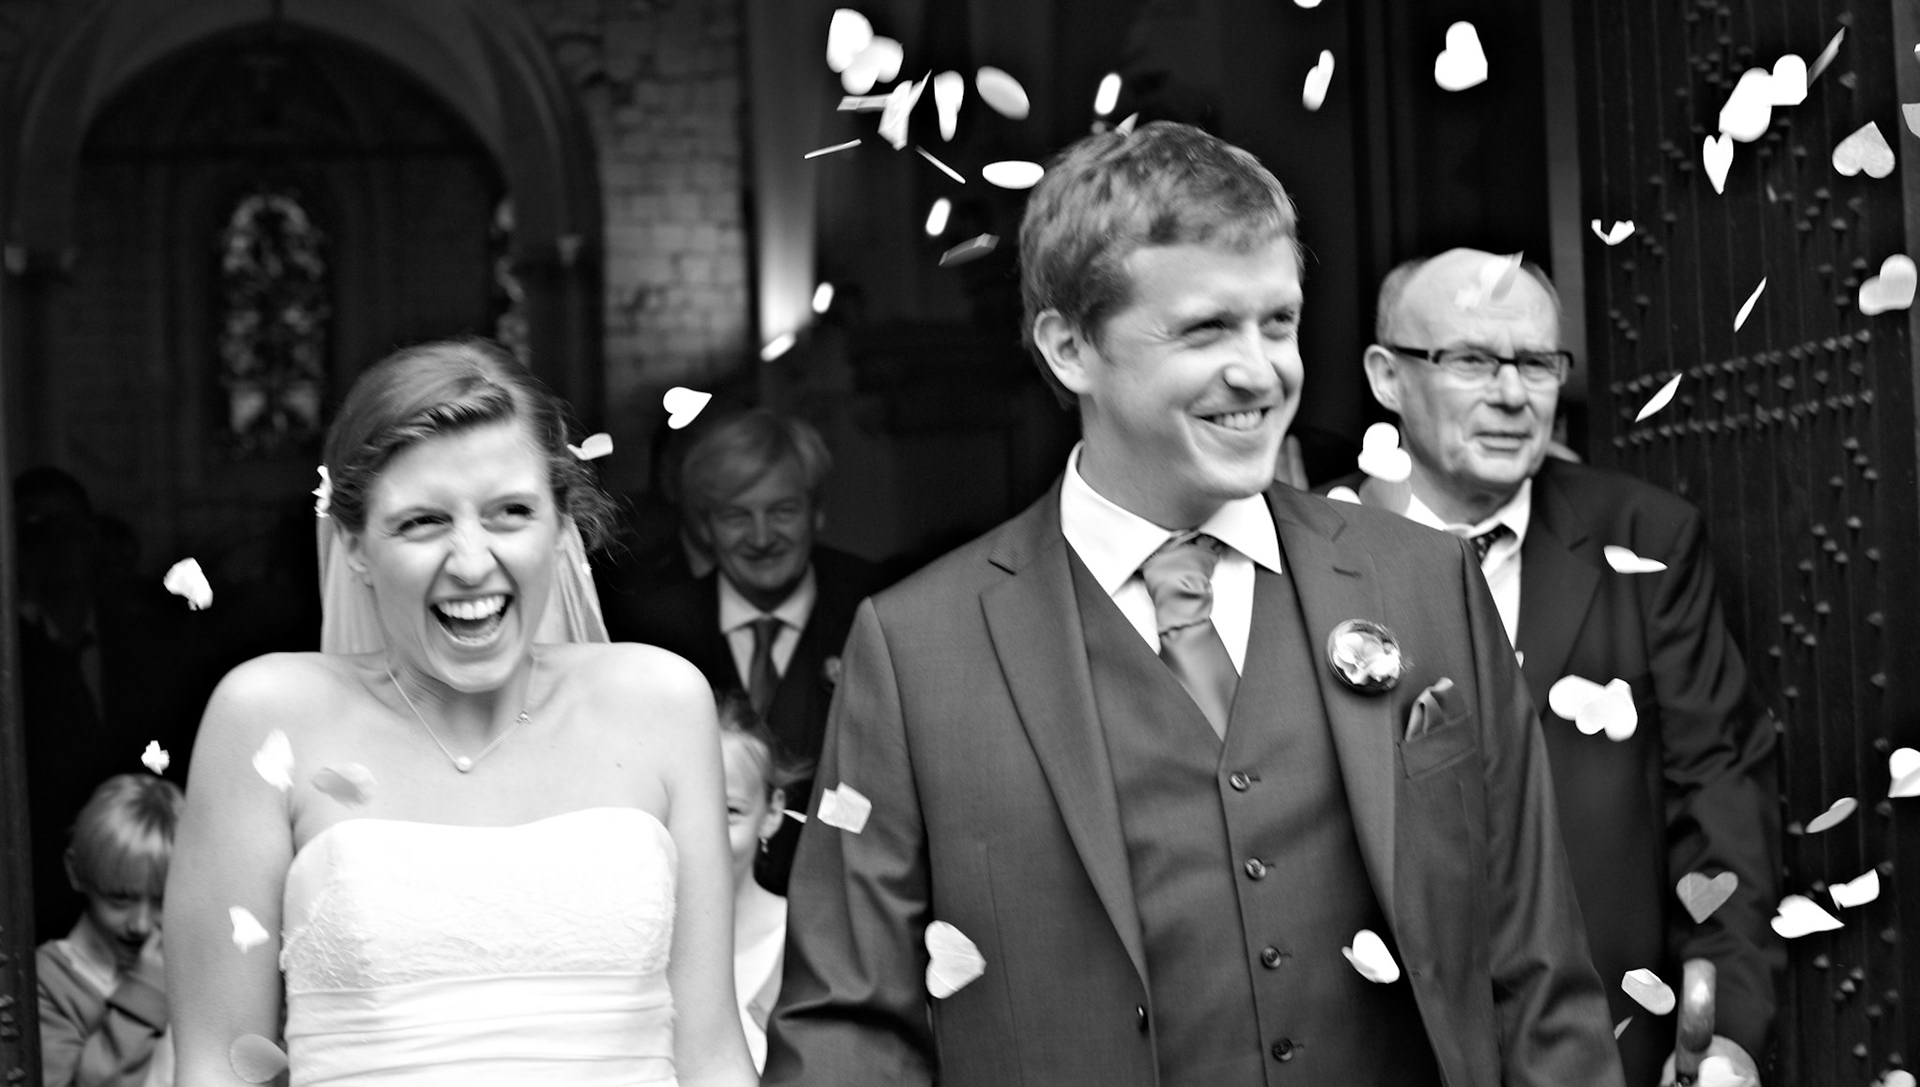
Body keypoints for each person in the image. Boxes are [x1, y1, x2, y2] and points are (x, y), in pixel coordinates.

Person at [764, 122, 1623, 1087]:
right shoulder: (919, 647)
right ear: (1070, 347)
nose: (1261, 370)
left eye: (1279, 323)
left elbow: (1537, 978)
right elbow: (848, 1028)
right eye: (1207, 329)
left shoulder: (1426, 582)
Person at [166, 339, 756, 1087]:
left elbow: (711, 1055)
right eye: (423, 522)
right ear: (353, 543)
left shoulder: (661, 703)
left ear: (561, 525)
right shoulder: (266, 715)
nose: (472, 563)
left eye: (511, 512)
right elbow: (220, 1064)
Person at [1344, 248, 1781, 1085]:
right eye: (1472, 359)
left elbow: (1719, 797)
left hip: (1608, 1044)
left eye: (1537, 363)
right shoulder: (1306, 554)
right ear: (1386, 376)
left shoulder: (1648, 539)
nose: (1513, 393)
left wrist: (1724, 1031)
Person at [601, 409, 888, 895]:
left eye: (782, 511)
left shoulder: (876, 611)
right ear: (705, 526)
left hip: (845, 897)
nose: (761, 537)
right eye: (736, 516)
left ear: (817, 511)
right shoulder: (644, 629)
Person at [39, 773, 183, 1087]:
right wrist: (144, 994)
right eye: (120, 898)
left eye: (162, 900)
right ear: (76, 872)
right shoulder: (45, 982)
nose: (141, 925)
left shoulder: (192, 971)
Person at [713, 691, 805, 1072]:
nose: (700, 829)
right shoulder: (631, 939)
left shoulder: (804, 944)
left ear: (772, 812)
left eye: (729, 810)